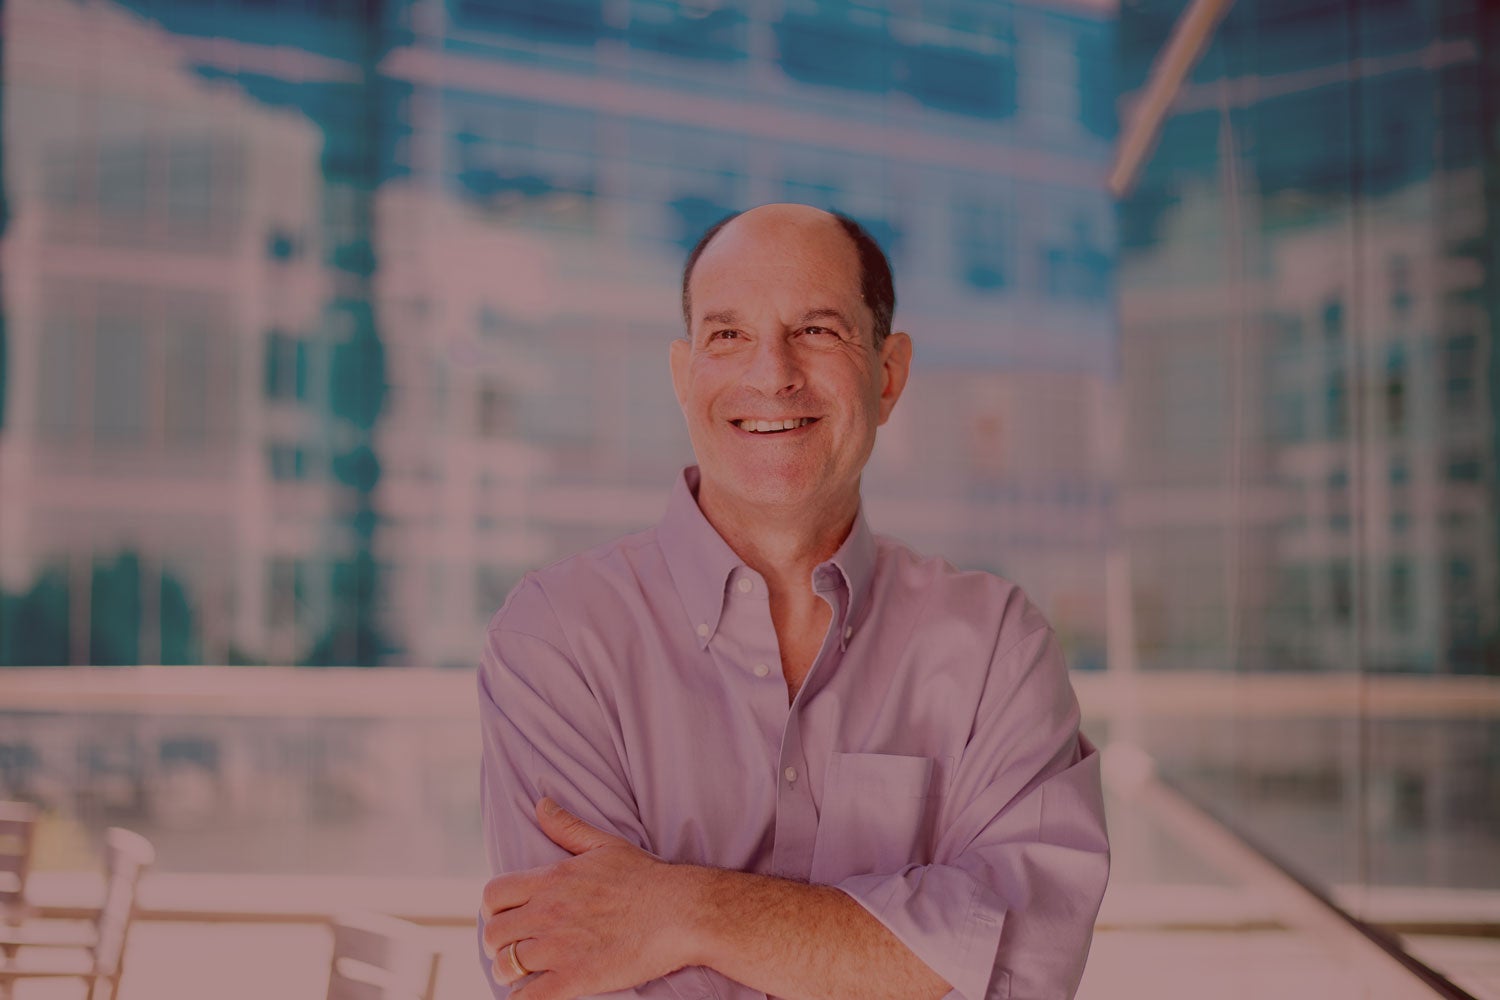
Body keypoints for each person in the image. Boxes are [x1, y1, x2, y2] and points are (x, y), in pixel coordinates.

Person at [476, 203, 1109, 1000]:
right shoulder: (559, 638)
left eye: (817, 330)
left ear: (888, 374)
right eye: (728, 335)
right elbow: (564, 969)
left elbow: (1022, 966)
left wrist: (683, 909)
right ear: (684, 375)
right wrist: (913, 946)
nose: (772, 374)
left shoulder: (995, 650)